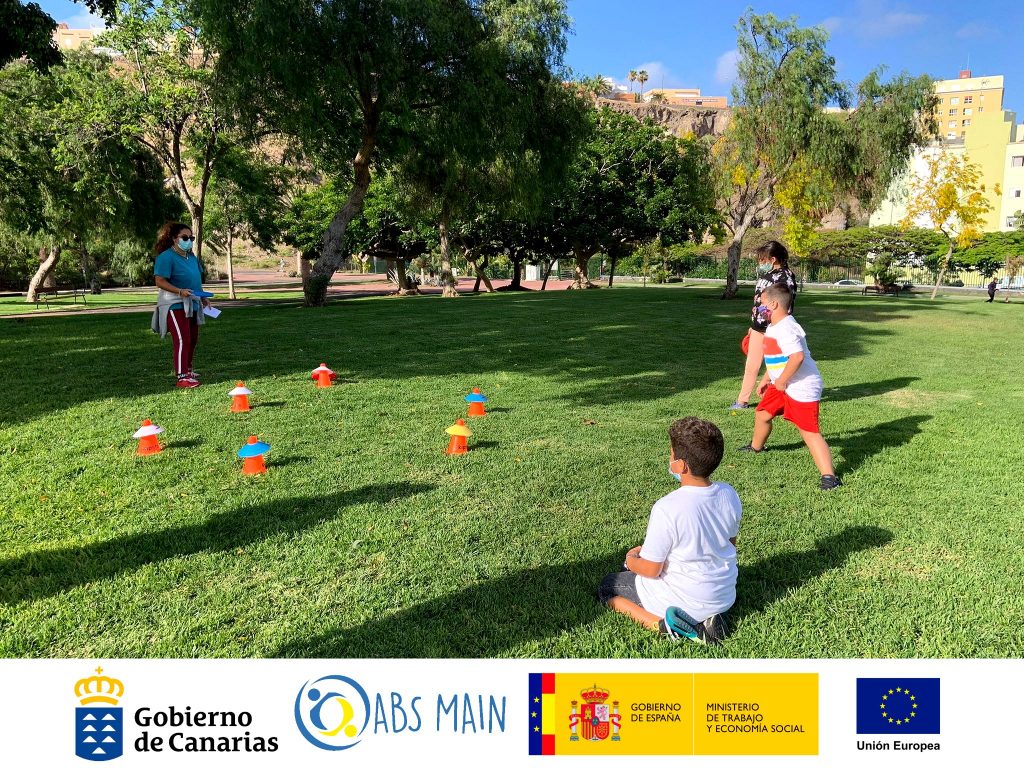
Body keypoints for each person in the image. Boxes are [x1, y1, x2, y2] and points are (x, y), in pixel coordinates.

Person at [598, 417, 741, 645]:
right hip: (723, 595)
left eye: (672, 454)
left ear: (681, 465)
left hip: (685, 598)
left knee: (609, 586)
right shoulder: (729, 493)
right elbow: (730, 543)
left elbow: (653, 569)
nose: (670, 459)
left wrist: (631, 559)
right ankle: (712, 618)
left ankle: (664, 625)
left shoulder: (668, 507)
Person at [741, 283, 841, 490]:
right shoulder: (774, 326)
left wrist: (783, 380)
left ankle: (830, 477)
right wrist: (767, 379)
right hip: (782, 383)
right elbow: (777, 357)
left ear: (774, 304)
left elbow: (797, 357)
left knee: (809, 431)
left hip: (801, 385)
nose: (759, 310)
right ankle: (756, 447)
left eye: (762, 306)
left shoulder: (786, 328)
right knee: (762, 414)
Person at [731, 241, 798, 410]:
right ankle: (742, 401)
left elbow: (784, 306)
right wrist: (754, 323)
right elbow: (759, 301)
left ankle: (782, 399)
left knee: (777, 366)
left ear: (773, 259)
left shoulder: (785, 278)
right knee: (751, 366)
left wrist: (775, 327)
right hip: (757, 328)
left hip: (774, 329)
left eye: (762, 260)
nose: (760, 263)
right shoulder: (766, 276)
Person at [150, 222, 210, 388]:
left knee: (192, 338)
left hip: (193, 302)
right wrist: (179, 291)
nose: (189, 240)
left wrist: (203, 297)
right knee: (182, 339)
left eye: (191, 238)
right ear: (174, 239)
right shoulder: (166, 257)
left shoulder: (191, 257)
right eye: (185, 237)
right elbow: (159, 281)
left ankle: (189, 370)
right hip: (174, 304)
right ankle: (182, 376)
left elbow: (196, 279)